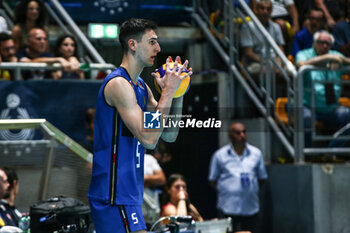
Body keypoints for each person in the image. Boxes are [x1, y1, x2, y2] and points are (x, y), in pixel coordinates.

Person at [88, 18, 190, 233]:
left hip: (130, 195)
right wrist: (168, 92)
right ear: (133, 45)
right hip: (113, 195)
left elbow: (168, 134)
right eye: (152, 42)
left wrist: (177, 93)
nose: (158, 48)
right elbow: (149, 138)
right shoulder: (118, 85)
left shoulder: (142, 88)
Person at [208, 122, 268, 233]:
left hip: (250, 207)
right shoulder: (220, 155)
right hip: (228, 207)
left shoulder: (256, 153)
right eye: (238, 133)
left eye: (244, 132)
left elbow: (262, 178)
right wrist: (228, 190)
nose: (242, 135)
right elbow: (213, 180)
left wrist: (250, 190)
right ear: (230, 135)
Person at [296, 30, 350, 147]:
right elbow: (301, 65)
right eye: (321, 42)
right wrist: (326, 58)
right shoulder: (304, 54)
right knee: (306, 117)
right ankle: (306, 155)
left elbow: (346, 61)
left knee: (347, 114)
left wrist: (341, 60)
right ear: (314, 43)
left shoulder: (335, 56)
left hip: (331, 108)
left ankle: (332, 150)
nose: (325, 46)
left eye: (328, 44)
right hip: (308, 106)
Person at [240, 0, 285, 77]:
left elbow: (280, 49)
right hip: (255, 62)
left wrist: (279, 62)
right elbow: (249, 53)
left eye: (268, 9)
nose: (265, 12)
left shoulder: (276, 27)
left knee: (291, 71)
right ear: (256, 10)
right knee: (269, 71)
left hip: (274, 62)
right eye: (262, 8)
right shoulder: (248, 27)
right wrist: (266, 62)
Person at [142, 153, 166, 222]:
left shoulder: (149, 158)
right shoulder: (126, 157)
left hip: (151, 207)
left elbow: (162, 179)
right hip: (133, 205)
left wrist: (146, 178)